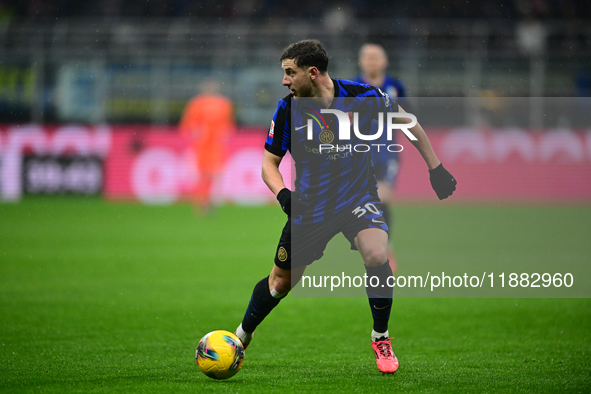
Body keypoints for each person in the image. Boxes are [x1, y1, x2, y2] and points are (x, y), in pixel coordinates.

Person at [234, 39, 456, 374]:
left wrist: (436, 169)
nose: (284, 81)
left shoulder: (363, 97)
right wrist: (284, 196)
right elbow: (269, 164)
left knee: (378, 255)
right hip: (310, 208)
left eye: (289, 73)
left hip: (358, 200)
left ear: (312, 72)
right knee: (279, 283)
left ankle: (380, 336)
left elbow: (408, 123)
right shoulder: (287, 110)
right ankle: (240, 336)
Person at [354, 43, 406, 273]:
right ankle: (374, 247)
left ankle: (386, 248)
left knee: (383, 199)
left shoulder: (395, 86)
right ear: (361, 62)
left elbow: (408, 115)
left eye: (375, 57)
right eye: (367, 57)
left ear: (384, 62)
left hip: (387, 153)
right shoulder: (352, 85)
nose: (371, 61)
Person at [179, 79, 235, 213]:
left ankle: (209, 201)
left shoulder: (224, 104)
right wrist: (195, 131)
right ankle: (201, 202)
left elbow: (228, 124)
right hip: (201, 146)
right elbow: (188, 124)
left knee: (215, 174)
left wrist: (225, 132)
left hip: (216, 145)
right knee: (201, 175)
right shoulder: (196, 104)